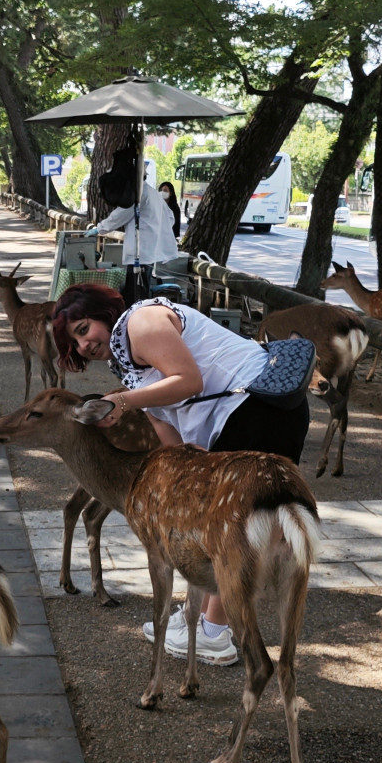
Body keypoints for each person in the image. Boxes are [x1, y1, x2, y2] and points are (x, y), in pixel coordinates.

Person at [50, 283, 309, 667]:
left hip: (255, 410)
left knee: (229, 530)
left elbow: (189, 381)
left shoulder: (141, 322)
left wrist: (121, 401)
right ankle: (204, 622)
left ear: (103, 314)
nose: (84, 344)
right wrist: (186, 478)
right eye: (75, 342)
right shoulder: (130, 366)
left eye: (84, 328)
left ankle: (214, 632)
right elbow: (170, 433)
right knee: (227, 524)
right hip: (249, 416)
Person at [86, 152, 179, 301]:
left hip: (139, 253)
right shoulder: (153, 193)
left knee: (136, 295)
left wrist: (99, 229)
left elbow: (119, 216)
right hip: (147, 252)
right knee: (141, 290)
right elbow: (170, 218)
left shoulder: (139, 194)